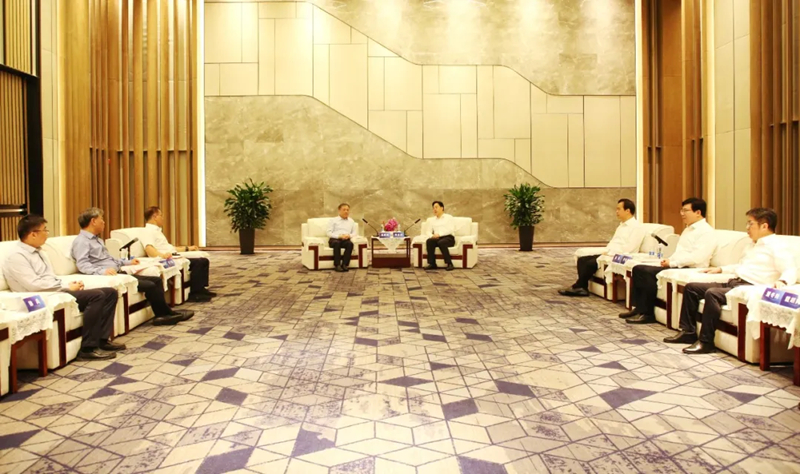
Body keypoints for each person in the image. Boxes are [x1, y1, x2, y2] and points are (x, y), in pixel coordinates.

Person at [665, 208, 796, 354]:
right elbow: (741, 266)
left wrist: (783, 281)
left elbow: (790, 269)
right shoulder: (752, 244)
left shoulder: (778, 246)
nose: (747, 228)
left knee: (712, 293)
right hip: (735, 282)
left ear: (764, 226)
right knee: (692, 288)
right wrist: (721, 269)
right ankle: (688, 332)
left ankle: (706, 342)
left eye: (750, 224)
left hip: (750, 286)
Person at [2, 215, 121, 361]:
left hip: (53, 290)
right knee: (97, 296)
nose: (47, 234)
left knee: (110, 292)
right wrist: (66, 286)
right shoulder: (16, 256)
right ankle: (88, 348)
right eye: (45, 230)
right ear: (33, 234)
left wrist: (70, 284)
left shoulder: (40, 252)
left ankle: (102, 340)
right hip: (40, 296)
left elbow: (49, 277)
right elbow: (33, 284)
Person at [71, 207, 188, 326]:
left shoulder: (97, 240)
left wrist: (127, 262)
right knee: (150, 285)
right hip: (110, 275)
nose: (104, 222)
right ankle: (164, 315)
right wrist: (102, 271)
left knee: (156, 280)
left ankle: (166, 314)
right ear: (93, 221)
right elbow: (82, 265)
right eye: (101, 219)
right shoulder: (81, 241)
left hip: (119, 271)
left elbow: (110, 260)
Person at [624, 198, 716, 324]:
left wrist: (672, 263)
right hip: (678, 264)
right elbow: (680, 252)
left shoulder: (706, 232)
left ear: (698, 212)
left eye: (685, 210)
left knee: (647, 272)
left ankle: (647, 313)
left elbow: (697, 257)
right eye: (681, 210)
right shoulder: (688, 229)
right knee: (638, 268)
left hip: (691, 267)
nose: (682, 214)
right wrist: (669, 260)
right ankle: (639, 308)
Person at [559, 199, 647, 297]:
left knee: (589, 263)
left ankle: (579, 287)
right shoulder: (621, 226)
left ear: (627, 211)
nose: (616, 212)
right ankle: (581, 287)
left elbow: (629, 248)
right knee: (582, 259)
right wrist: (606, 251)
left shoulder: (637, 227)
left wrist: (610, 253)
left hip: (620, 256)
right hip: (610, 252)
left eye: (619, 209)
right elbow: (613, 242)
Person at [142, 206, 216, 302]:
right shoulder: (148, 231)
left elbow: (170, 248)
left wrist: (188, 248)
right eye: (161, 215)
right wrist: (162, 256)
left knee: (204, 261)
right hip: (166, 258)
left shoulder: (156, 231)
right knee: (199, 262)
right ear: (155, 216)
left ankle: (201, 289)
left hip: (173, 254)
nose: (163, 218)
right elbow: (149, 248)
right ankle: (195, 293)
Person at [424, 201, 455, 271]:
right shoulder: (432, 220)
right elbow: (428, 231)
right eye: (433, 208)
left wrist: (440, 234)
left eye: (436, 207)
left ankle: (449, 263)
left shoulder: (449, 217)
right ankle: (432, 264)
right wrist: (432, 236)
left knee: (442, 242)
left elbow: (451, 229)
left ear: (442, 208)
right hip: (437, 238)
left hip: (448, 237)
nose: (434, 209)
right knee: (429, 241)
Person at [327, 203, 356, 272]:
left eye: (347, 210)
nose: (346, 211)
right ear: (339, 210)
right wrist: (339, 236)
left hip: (345, 239)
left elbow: (354, 233)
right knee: (337, 243)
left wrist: (349, 236)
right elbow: (328, 233)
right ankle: (337, 265)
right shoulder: (333, 220)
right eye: (344, 210)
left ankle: (345, 264)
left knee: (350, 244)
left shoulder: (351, 221)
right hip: (334, 239)